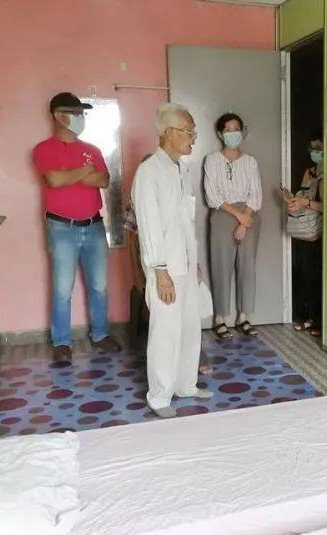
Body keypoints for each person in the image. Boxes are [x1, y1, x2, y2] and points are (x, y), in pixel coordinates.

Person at [132, 103, 213, 418]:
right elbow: (149, 226)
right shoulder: (149, 172)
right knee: (165, 333)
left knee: (190, 327)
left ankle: (185, 384)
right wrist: (159, 270)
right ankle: (159, 396)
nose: (193, 138)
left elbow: (185, 222)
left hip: (186, 264)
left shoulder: (182, 170)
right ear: (169, 132)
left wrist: (195, 261)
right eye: (189, 132)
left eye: (193, 132)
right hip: (164, 268)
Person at [32, 92, 121, 363]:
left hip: (94, 226)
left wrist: (72, 174)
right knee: (62, 288)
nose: (80, 117)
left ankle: (100, 334)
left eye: (82, 113)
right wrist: (83, 172)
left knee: (99, 286)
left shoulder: (92, 149)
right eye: (75, 112)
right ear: (58, 116)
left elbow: (104, 180)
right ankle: (61, 342)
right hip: (62, 228)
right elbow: (54, 180)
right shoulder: (43, 149)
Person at [204, 113, 262, 340]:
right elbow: (212, 195)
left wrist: (245, 221)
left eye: (236, 128)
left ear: (242, 131)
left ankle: (243, 317)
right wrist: (238, 216)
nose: (233, 133)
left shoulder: (250, 162)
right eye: (228, 130)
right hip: (223, 214)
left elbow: (255, 194)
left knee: (247, 266)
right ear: (220, 134)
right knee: (221, 265)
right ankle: (220, 318)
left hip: (249, 215)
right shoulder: (212, 160)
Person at [282, 132, 324, 338]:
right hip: (306, 231)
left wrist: (306, 203)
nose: (314, 152)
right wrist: (293, 200)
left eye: (318, 148)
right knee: (306, 275)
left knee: (319, 277)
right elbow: (303, 194)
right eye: (312, 149)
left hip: (323, 233)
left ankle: (320, 320)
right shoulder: (310, 171)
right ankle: (308, 316)